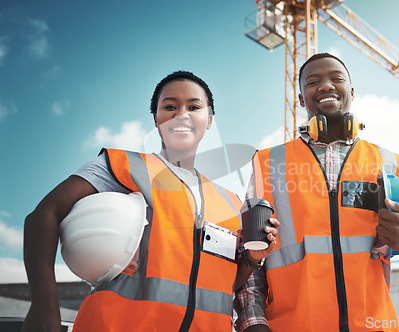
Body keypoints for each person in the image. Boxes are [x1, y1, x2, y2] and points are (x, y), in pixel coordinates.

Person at [22, 71, 279, 332]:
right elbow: (45, 214)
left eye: (194, 106)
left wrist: (250, 261)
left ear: (209, 119)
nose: (182, 114)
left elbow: (220, 289)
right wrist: (44, 303)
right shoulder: (124, 166)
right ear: (156, 118)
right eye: (170, 106)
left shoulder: (231, 204)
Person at [234, 53, 399, 332]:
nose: (326, 86)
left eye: (336, 78)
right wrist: (253, 323)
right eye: (313, 82)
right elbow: (249, 255)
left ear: (352, 91)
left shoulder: (391, 164)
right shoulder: (267, 163)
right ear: (301, 98)